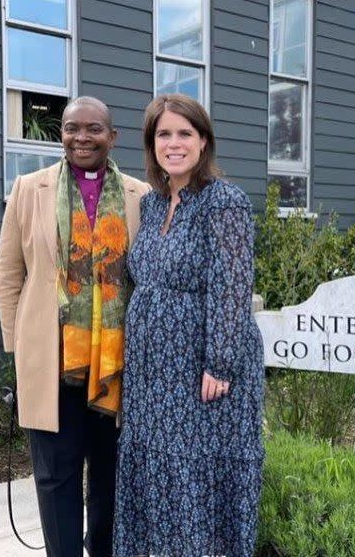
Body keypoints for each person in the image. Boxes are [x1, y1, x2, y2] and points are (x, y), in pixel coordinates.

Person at [0, 96, 150, 557]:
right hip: (52, 361)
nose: (81, 137)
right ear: (60, 132)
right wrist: (18, 349)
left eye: (93, 129)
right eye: (71, 128)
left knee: (109, 477)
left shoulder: (140, 196)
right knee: (55, 477)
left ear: (112, 136)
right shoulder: (28, 189)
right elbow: (9, 273)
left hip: (115, 369)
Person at [113, 94, 265, 557]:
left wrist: (219, 363)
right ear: (151, 143)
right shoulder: (155, 204)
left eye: (184, 133)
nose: (173, 143)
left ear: (203, 142)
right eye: (163, 134)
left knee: (196, 474)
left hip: (202, 373)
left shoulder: (225, 202)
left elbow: (233, 286)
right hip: (151, 379)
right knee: (157, 472)